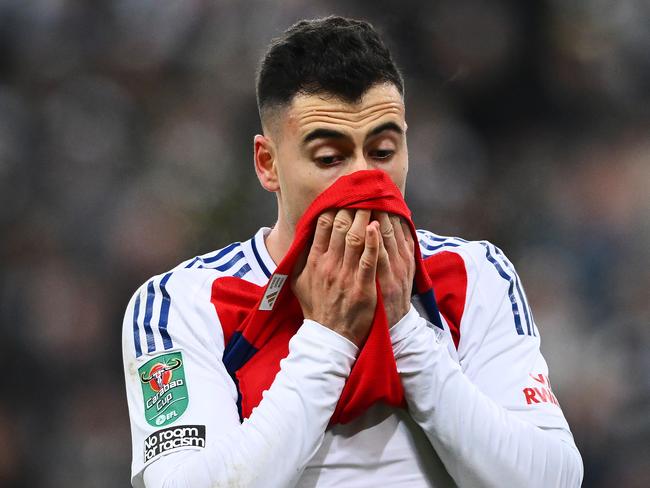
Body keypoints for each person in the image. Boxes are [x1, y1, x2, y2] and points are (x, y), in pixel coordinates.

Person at [122, 16, 583, 487]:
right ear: (268, 164)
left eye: (382, 151)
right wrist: (328, 336)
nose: (363, 181)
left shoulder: (473, 274)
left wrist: (406, 333)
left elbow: (553, 479)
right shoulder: (182, 303)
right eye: (330, 159)